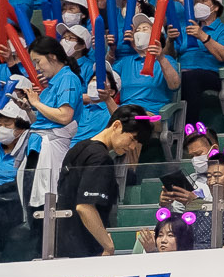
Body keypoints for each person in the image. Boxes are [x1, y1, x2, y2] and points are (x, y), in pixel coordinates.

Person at [50, 108, 155, 259]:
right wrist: (108, 245)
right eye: (132, 139)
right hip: (84, 249)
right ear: (117, 125)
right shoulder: (100, 158)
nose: (132, 147)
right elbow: (85, 207)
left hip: (62, 243)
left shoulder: (78, 148)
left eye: (137, 144)